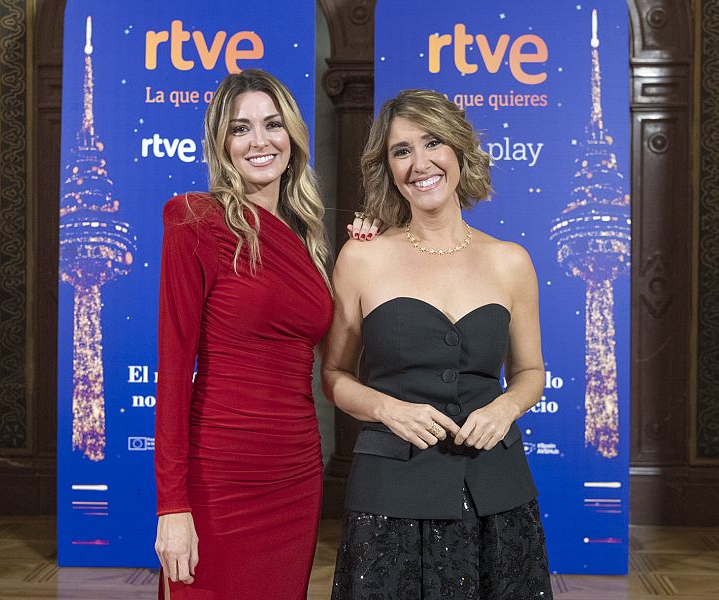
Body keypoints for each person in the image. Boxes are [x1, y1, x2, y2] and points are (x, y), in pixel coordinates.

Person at [153, 69, 377, 600]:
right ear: (221, 144)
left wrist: (366, 258)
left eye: (272, 124)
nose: (259, 141)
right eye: (240, 128)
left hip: (295, 471)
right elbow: (173, 371)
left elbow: (340, 353)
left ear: (292, 136)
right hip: (219, 474)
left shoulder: (310, 241)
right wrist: (172, 507)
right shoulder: (193, 221)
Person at [322, 89, 553, 599]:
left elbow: (531, 373)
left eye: (433, 143)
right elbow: (333, 376)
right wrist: (386, 408)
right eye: (401, 150)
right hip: (389, 495)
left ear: (459, 150)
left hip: (498, 492)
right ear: (387, 167)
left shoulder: (511, 261)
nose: (419, 163)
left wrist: (504, 409)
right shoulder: (362, 259)